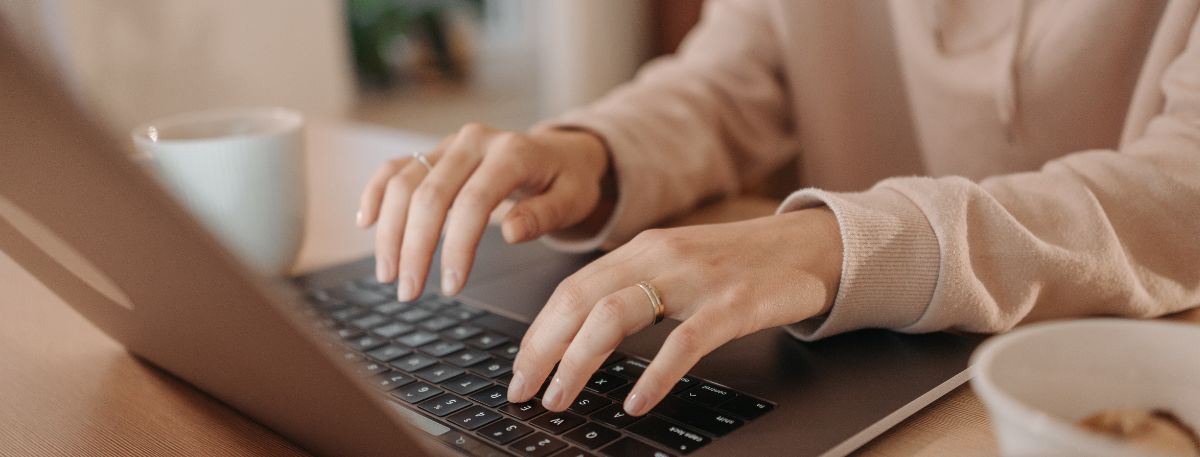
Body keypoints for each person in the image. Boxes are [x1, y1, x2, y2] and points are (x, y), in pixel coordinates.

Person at [356, 1, 1200, 418]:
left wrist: (836, 244)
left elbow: (1182, 186)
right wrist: (593, 153)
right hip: (851, 368)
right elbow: (727, 80)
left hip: (1112, 392)